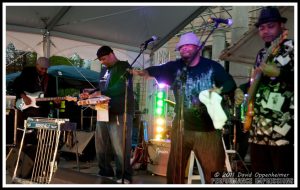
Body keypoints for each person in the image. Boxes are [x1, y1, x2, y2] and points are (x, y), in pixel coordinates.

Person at [131, 32, 236, 184]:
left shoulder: (212, 67)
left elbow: (230, 84)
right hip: (181, 129)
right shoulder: (175, 67)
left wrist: (216, 91)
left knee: (214, 173)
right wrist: (146, 72)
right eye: (181, 47)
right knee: (175, 171)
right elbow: (157, 70)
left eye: (188, 45)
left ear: (198, 48)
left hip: (208, 130)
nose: (184, 49)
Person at [235, 6, 294, 178]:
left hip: (283, 126)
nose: (265, 31)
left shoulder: (292, 48)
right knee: (260, 173)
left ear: (281, 27)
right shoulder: (261, 54)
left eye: (270, 26)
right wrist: (242, 88)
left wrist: (281, 73)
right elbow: (258, 80)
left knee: (283, 175)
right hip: (259, 127)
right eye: (262, 28)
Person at [80, 46, 135, 184]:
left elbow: (120, 87)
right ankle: (105, 171)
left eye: (104, 59)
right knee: (101, 144)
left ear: (111, 54)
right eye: (100, 60)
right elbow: (102, 88)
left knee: (120, 145)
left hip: (120, 111)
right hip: (103, 110)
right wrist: (90, 93)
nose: (102, 62)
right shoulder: (105, 70)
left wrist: (100, 94)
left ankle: (124, 176)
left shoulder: (123, 66)